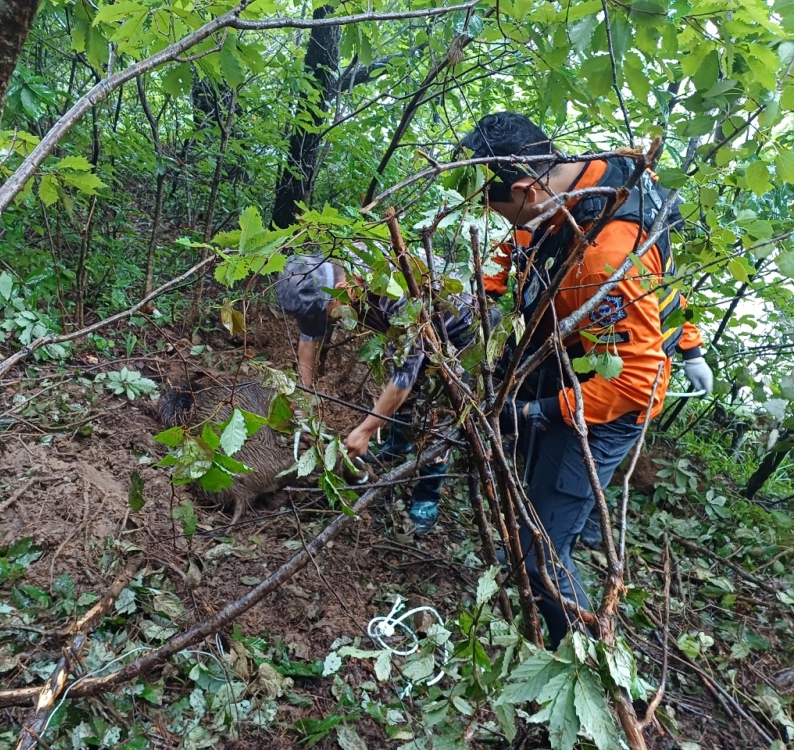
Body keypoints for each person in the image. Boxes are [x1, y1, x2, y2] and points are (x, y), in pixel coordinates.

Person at [460, 112, 713, 647]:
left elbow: (635, 382)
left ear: (526, 189)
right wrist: (481, 294)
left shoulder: (603, 255)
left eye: (498, 209)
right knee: (531, 510)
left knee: (544, 555)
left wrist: (535, 411)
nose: (501, 224)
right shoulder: (580, 183)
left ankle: (572, 657)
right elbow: (522, 249)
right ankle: (530, 572)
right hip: (564, 367)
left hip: (604, 405)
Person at [275, 251, 482, 534]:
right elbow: (309, 340)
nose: (325, 318)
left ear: (341, 287)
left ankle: (427, 495)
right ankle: (397, 447)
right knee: (406, 399)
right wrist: (304, 398)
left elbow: (403, 377)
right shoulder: (323, 278)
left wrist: (367, 429)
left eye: (324, 310)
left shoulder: (390, 291)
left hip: (457, 334)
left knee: (437, 415)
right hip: (410, 337)